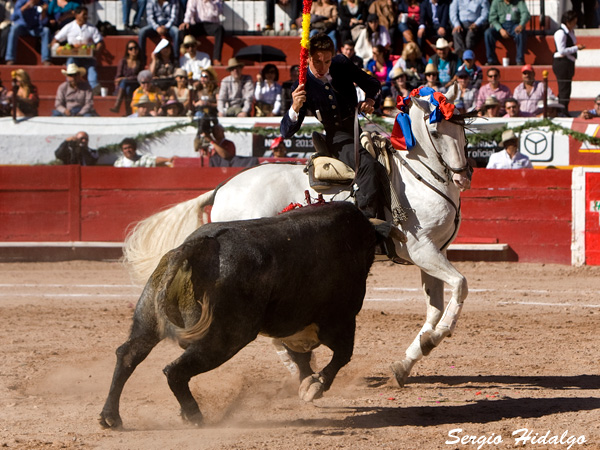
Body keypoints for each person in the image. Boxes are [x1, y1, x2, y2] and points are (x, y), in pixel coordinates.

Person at [280, 33, 384, 219]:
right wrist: (295, 107)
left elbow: (373, 84)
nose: (323, 67)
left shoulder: (341, 64)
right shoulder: (301, 85)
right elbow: (286, 131)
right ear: (308, 58)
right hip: (336, 138)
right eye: (317, 62)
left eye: (327, 61)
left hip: (358, 131)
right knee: (368, 166)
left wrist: (369, 99)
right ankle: (368, 223)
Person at [51, 6, 104, 91]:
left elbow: (99, 42)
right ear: (77, 15)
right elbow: (56, 39)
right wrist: (58, 48)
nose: (86, 17)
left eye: (86, 15)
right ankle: (69, 88)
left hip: (88, 57)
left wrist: (96, 51)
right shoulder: (69, 27)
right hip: (73, 56)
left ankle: (95, 89)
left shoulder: (91, 28)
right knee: (70, 65)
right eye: (84, 15)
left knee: (92, 70)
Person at [553, 10, 584, 114]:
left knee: (567, 89)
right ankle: (562, 111)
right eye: (573, 21)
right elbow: (561, 50)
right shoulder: (560, 33)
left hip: (568, 63)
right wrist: (576, 48)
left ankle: (564, 109)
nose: (575, 24)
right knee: (563, 89)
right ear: (568, 21)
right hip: (562, 63)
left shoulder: (570, 32)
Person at [5, 0, 52, 65]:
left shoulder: (44, 3)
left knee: (46, 30)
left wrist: (43, 12)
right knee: (14, 29)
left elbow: (44, 23)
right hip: (23, 27)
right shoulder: (21, 1)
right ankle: (10, 58)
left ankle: (46, 59)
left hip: (35, 28)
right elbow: (13, 18)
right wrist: (25, 7)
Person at [484, 0, 530, 66]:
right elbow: (492, 18)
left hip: (514, 25)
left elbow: (525, 14)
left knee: (520, 33)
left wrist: (521, 25)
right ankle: (491, 60)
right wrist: (500, 29)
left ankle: (520, 60)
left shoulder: (519, 1)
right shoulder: (496, 2)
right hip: (500, 25)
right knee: (488, 33)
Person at [179, 0, 224, 66]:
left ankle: (216, 58)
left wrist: (210, 2)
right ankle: (184, 54)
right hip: (198, 24)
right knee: (183, 30)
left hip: (211, 24)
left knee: (220, 29)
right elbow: (190, 10)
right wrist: (186, 21)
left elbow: (218, 12)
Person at [110, 39, 143, 115]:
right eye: (131, 49)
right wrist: (122, 80)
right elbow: (118, 77)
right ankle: (128, 112)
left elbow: (139, 77)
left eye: (135, 48)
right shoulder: (123, 61)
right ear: (128, 51)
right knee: (126, 87)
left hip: (135, 84)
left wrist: (126, 79)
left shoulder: (139, 62)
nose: (133, 50)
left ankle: (117, 106)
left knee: (125, 82)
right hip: (123, 87)